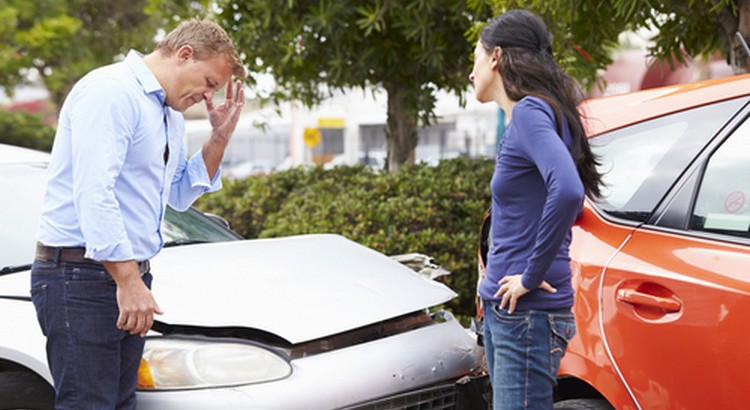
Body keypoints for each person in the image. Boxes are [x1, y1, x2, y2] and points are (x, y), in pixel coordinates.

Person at [30, 19, 245, 410]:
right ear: (185, 55)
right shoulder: (112, 93)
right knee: (90, 405)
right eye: (210, 82)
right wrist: (129, 281)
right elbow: (95, 194)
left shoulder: (169, 114)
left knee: (121, 404)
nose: (208, 95)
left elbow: (178, 195)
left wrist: (218, 138)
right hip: (80, 278)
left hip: (122, 274)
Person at [469, 9, 603, 410]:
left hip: (523, 313)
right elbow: (566, 205)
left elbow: (567, 193)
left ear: (495, 57)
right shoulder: (544, 113)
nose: (471, 73)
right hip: (513, 311)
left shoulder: (529, 112)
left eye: (474, 59)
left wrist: (532, 273)